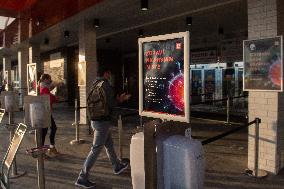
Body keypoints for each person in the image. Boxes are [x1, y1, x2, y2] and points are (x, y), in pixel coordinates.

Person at [75, 68, 131, 189]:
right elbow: (111, 104)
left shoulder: (95, 84)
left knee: (109, 145)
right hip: (102, 122)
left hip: (95, 120)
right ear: (106, 73)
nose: (110, 76)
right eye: (109, 74)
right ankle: (82, 177)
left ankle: (116, 166)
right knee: (95, 149)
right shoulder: (105, 85)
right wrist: (121, 99)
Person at [39, 73, 60, 157]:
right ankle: (45, 150)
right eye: (49, 79)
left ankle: (49, 148)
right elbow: (47, 98)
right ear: (45, 79)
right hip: (45, 111)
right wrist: (55, 98)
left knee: (47, 130)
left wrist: (53, 96)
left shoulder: (42, 86)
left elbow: (48, 95)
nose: (50, 80)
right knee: (47, 130)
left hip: (45, 111)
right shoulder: (44, 87)